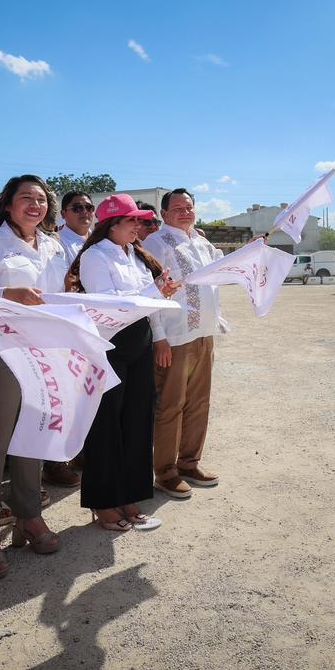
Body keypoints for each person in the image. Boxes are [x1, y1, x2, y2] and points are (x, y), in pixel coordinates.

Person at [0, 174, 65, 580]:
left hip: (42, 353)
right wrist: (8, 295)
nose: (35, 205)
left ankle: (28, 517)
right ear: (7, 203)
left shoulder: (53, 247)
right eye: (26, 198)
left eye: (41, 199)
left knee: (32, 436)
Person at [65, 193, 179, 531]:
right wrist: (156, 292)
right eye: (133, 220)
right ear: (112, 224)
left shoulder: (136, 255)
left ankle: (130, 495)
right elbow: (111, 306)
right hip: (108, 346)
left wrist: (158, 334)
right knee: (106, 425)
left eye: (140, 220)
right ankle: (103, 502)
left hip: (139, 342)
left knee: (138, 421)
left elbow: (148, 305)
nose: (139, 226)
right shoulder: (95, 257)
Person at [143, 188, 225, 499]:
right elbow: (151, 293)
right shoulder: (155, 243)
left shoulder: (202, 243)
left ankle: (190, 462)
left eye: (189, 206)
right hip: (175, 338)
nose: (185, 212)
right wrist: (159, 337)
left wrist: (254, 249)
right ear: (163, 214)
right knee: (170, 405)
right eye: (177, 207)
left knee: (199, 403)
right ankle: (165, 471)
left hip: (204, 333)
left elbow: (227, 268)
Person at [58, 191, 93, 262]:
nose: (85, 211)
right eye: (77, 208)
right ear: (63, 214)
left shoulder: (101, 240)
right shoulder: (57, 243)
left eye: (88, 207)